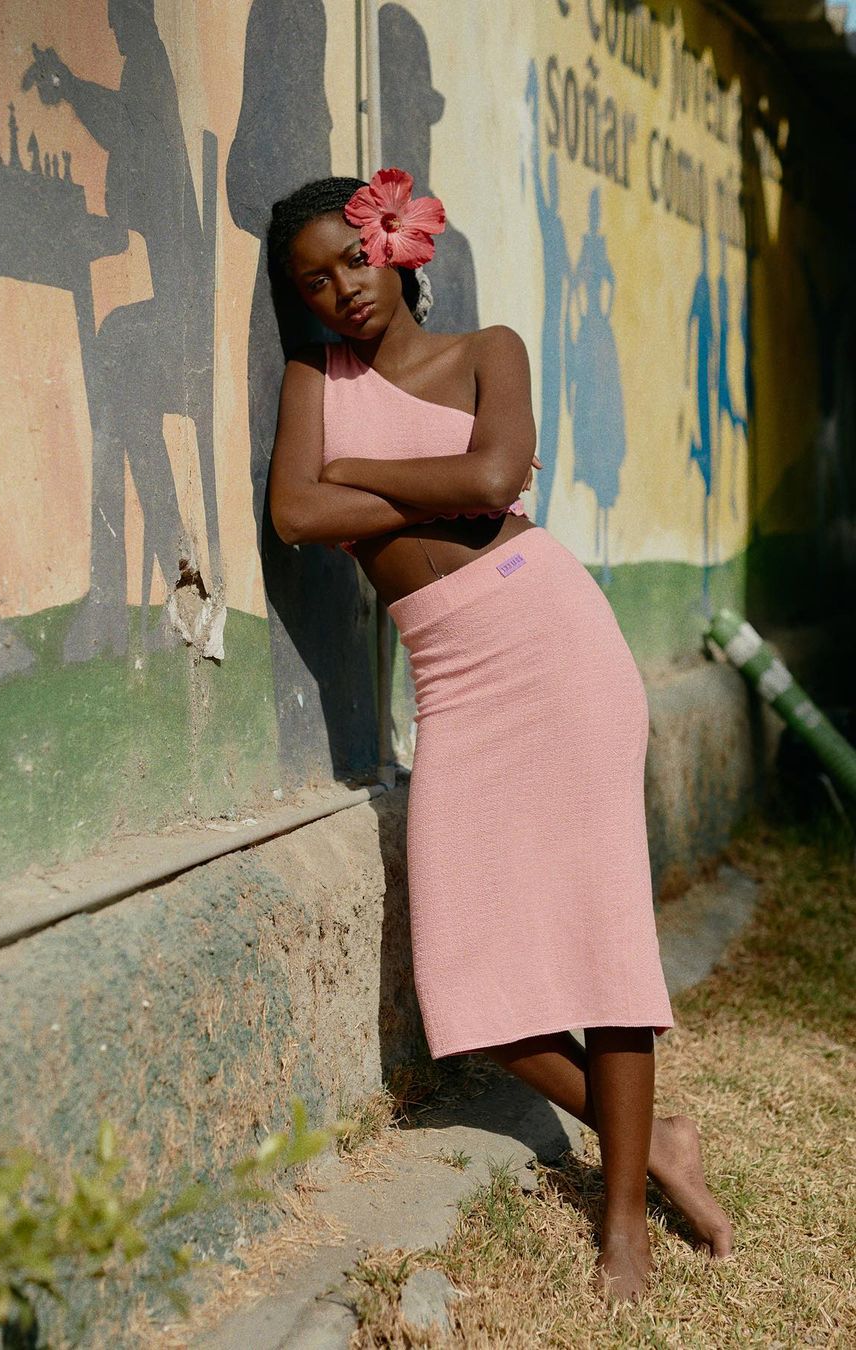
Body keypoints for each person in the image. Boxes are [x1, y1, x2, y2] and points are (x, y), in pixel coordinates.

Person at [265, 170, 733, 1303]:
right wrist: (424, 488)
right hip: (453, 677)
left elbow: (493, 475)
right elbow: (296, 513)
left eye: (354, 259)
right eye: (314, 281)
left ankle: (623, 1218)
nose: (341, 291)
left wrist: (357, 470)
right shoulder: (310, 378)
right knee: (463, 982)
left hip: (553, 644)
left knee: (602, 934)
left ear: (396, 246)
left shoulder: (490, 351)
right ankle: (658, 1139)